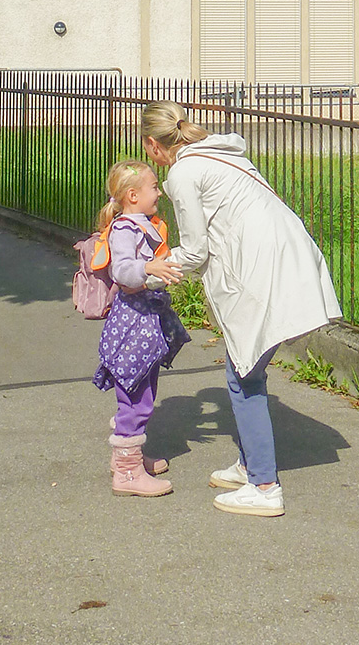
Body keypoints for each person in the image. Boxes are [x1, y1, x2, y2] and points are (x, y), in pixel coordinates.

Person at [141, 101, 341, 518]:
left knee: (243, 375)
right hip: (288, 256)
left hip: (262, 270)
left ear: (152, 145)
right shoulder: (219, 151)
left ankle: (264, 486)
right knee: (246, 368)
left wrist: (147, 274)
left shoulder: (182, 172)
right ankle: (251, 462)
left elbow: (194, 251)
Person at [92, 160, 189, 497]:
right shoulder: (124, 229)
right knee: (136, 395)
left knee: (145, 388)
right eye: (153, 187)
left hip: (146, 319)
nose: (159, 192)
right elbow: (122, 271)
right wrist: (149, 267)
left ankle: (131, 458)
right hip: (133, 322)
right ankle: (126, 472)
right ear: (133, 195)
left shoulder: (143, 224)